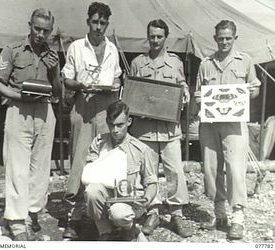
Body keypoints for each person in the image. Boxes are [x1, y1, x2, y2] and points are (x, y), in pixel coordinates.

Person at [0, 9, 61, 241]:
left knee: (40, 167)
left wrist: (55, 71)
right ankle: (16, 220)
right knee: (17, 166)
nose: (41, 34)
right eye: (37, 28)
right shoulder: (13, 50)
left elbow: (59, 92)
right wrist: (19, 97)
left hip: (44, 111)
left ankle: (32, 213)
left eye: (46, 30)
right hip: (19, 109)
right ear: (29, 25)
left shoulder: (53, 55)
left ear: (51, 31)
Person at [195, 20, 260, 240]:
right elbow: (197, 94)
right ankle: (219, 212)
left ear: (235, 38)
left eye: (228, 38)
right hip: (210, 124)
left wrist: (251, 93)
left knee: (235, 167)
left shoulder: (246, 61)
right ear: (215, 39)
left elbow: (255, 87)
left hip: (234, 125)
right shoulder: (205, 64)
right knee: (211, 168)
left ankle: (238, 216)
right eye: (220, 38)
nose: (224, 42)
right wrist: (198, 100)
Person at [61, 2, 122, 238]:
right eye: (95, 22)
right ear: (88, 21)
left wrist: (113, 86)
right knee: (79, 159)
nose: (98, 27)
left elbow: (116, 79)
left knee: (106, 157)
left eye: (103, 23)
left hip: (105, 106)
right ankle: (74, 218)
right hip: (83, 104)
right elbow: (67, 80)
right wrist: (81, 84)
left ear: (107, 24)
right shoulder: (76, 47)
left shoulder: (112, 49)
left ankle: (102, 218)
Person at [129, 19, 193, 237]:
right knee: (149, 173)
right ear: (148, 37)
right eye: (152, 36)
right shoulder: (138, 62)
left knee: (175, 171)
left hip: (169, 130)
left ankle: (177, 214)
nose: (155, 40)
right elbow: (133, 91)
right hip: (144, 129)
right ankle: (153, 211)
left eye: (159, 36)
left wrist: (185, 92)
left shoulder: (175, 63)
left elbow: (181, 84)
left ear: (166, 37)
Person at [84, 100, 158, 241]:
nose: (115, 130)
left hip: (129, 201)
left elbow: (152, 182)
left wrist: (146, 200)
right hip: (105, 196)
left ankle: (130, 228)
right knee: (91, 191)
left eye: (120, 125)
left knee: (120, 213)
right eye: (111, 125)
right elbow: (89, 174)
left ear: (129, 121)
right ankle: (105, 231)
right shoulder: (99, 143)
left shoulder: (140, 149)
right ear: (107, 122)